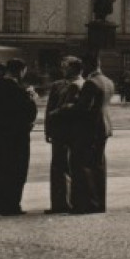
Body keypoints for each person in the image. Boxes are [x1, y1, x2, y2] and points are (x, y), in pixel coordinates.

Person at [0, 60, 37, 215]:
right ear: (21, 71)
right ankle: (10, 205)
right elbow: (30, 115)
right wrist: (31, 98)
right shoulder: (19, 91)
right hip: (15, 137)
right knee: (15, 170)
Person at [68, 63, 114, 214]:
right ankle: (99, 204)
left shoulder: (91, 83)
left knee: (84, 165)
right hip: (104, 127)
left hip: (91, 128)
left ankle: (86, 204)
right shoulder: (108, 81)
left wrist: (68, 107)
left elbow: (83, 108)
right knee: (98, 166)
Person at [43, 57, 85, 214]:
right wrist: (48, 130)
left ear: (75, 68)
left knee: (73, 167)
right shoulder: (57, 85)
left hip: (74, 132)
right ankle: (59, 203)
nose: (63, 69)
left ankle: (71, 202)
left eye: (65, 66)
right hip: (59, 132)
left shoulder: (84, 84)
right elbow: (49, 109)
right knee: (58, 167)